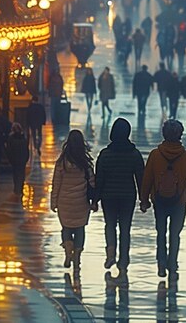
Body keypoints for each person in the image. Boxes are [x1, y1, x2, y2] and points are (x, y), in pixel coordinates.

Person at [140, 120, 186, 283]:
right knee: (175, 233)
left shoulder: (155, 155)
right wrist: (180, 187)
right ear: (180, 135)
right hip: (179, 202)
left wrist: (144, 199)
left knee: (161, 232)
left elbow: (147, 180)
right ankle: (172, 263)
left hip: (159, 200)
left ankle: (161, 263)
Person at [95, 118, 144, 284]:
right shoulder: (134, 154)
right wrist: (144, 198)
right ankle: (124, 259)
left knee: (110, 225)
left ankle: (110, 252)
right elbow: (140, 178)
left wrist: (94, 199)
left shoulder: (105, 154)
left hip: (108, 196)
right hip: (127, 196)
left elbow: (99, 179)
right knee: (125, 228)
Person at [51, 130, 96, 275]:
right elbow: (92, 183)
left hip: (64, 202)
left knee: (66, 228)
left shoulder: (61, 163)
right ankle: (77, 258)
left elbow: (56, 184)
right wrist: (94, 201)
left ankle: (68, 248)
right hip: (81, 202)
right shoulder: (86, 163)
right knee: (79, 229)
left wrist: (54, 202)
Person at [5, 122, 29, 198]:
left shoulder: (11, 139)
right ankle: (21, 188)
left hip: (15, 160)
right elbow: (26, 150)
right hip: (22, 159)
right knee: (21, 174)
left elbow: (9, 150)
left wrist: (10, 159)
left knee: (15, 174)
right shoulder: (23, 138)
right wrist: (26, 158)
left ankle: (16, 188)